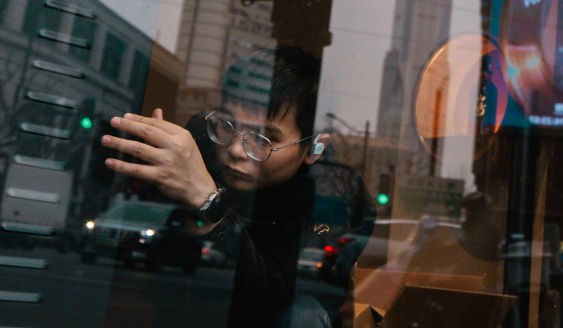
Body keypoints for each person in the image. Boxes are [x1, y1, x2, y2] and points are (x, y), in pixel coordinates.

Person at [101, 46, 373, 328]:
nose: (235, 149)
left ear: (314, 148)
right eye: (229, 124)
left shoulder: (333, 194)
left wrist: (208, 202)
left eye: (264, 138)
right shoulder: (200, 144)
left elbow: (282, 292)